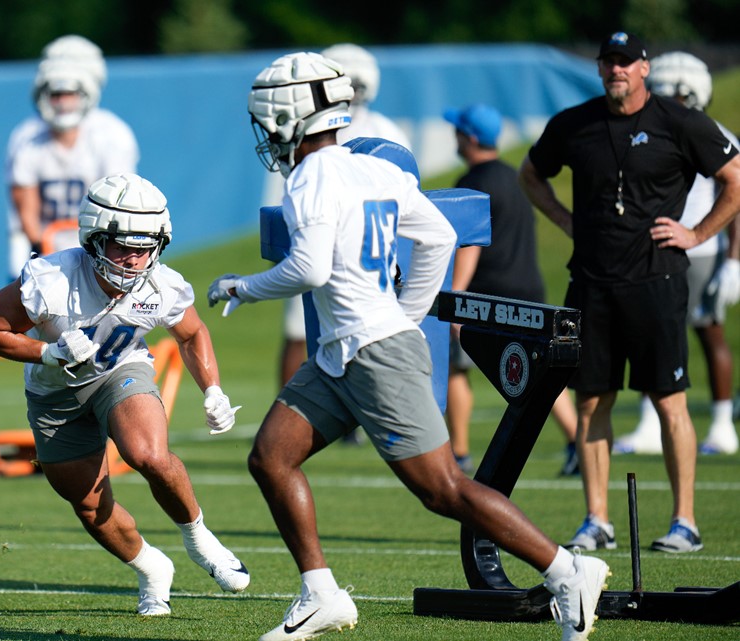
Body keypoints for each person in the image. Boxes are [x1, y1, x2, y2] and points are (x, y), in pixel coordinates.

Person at [209, 51, 608, 641]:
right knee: (271, 455)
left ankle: (568, 569)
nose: (267, 129)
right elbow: (440, 235)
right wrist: (409, 311)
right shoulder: (378, 169)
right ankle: (321, 594)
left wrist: (244, 285)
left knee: (443, 490)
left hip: (372, 353)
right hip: (344, 352)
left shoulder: (312, 174)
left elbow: (310, 268)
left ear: (294, 113)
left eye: (270, 116)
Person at [0, 173, 249, 615]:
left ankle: (199, 539)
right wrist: (48, 352)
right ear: (94, 238)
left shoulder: (162, 285)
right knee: (89, 506)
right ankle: (152, 569)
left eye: (145, 247)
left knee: (148, 454)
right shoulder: (51, 278)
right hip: (54, 394)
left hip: (118, 371)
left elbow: (192, 333)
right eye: (123, 245)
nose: (135, 259)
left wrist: (213, 390)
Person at [518, 32, 740, 555]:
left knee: (669, 399)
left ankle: (684, 521)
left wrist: (698, 234)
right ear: (600, 70)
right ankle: (596, 520)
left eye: (626, 62)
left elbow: (734, 178)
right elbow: (531, 174)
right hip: (590, 283)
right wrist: (564, 220)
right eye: (608, 62)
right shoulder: (575, 123)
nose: (616, 69)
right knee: (592, 398)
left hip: (657, 279)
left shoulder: (679, 121)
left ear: (644, 68)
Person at [612, 51, 740, 456]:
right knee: (651, 337)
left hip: (700, 249)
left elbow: (734, 196)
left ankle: (721, 425)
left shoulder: (710, 132)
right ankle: (651, 423)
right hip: (659, 248)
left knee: (707, 334)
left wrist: (733, 260)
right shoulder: (653, 127)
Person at [441, 103, 579, 476]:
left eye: (457, 131)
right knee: (542, 372)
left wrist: (454, 299)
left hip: (488, 294)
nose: (453, 137)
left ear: (469, 138)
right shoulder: (515, 177)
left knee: (456, 369)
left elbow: (469, 245)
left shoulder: (472, 183)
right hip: (527, 288)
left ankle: (460, 453)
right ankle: (577, 442)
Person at [275, 44, 412, 390]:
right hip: (333, 237)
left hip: (358, 242)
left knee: (364, 325)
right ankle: (295, 400)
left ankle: (359, 404)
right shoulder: (383, 129)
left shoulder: (382, 130)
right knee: (301, 329)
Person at [3, 35, 139, 280]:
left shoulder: (112, 135)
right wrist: (41, 249)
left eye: (70, 93)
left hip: (97, 241)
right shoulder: (27, 138)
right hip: (42, 243)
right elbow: (24, 206)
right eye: (57, 94)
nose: (63, 102)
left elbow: (120, 204)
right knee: (18, 274)